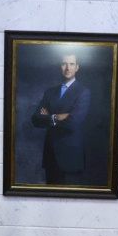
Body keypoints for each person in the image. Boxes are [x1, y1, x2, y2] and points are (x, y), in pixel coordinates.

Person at [31, 52, 91, 185]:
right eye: (64, 64)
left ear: (77, 67)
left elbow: (73, 123)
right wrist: (58, 116)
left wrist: (49, 116)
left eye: (71, 64)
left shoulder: (83, 92)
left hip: (71, 157)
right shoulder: (50, 92)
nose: (67, 68)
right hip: (51, 155)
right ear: (60, 66)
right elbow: (35, 119)